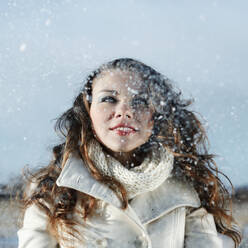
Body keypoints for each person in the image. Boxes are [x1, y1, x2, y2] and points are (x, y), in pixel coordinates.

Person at [18, 58, 241, 248]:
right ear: (88, 109)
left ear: (156, 116)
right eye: (109, 99)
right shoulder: (53, 189)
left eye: (140, 101)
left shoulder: (185, 190)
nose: (124, 111)